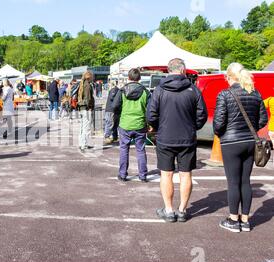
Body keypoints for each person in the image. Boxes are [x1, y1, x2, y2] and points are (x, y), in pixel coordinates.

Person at [147, 58, 208, 223]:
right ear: (183, 70)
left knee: (166, 174)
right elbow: (202, 115)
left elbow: (151, 115)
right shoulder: (193, 90)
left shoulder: (159, 90)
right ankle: (182, 210)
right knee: (185, 174)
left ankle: (168, 210)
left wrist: (159, 126)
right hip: (187, 138)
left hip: (165, 138)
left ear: (168, 71)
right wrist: (192, 127)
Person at [214, 63, 268, 233]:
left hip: (231, 142)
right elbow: (262, 120)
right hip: (250, 141)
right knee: (245, 181)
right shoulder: (255, 93)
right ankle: (245, 220)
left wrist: (221, 133)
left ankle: (233, 219)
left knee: (233, 182)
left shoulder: (224, 94)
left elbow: (219, 123)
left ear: (229, 76)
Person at [113, 69, 150, 183]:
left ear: (128, 78)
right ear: (139, 78)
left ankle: (122, 174)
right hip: (140, 124)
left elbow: (114, 106)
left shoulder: (122, 90)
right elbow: (150, 109)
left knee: (124, 149)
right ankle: (143, 175)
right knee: (140, 150)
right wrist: (149, 123)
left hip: (125, 124)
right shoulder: (145, 92)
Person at [77, 71, 95, 153]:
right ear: (89, 77)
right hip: (86, 108)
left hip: (81, 108)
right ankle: (83, 145)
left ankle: (82, 143)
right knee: (86, 128)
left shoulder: (82, 84)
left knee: (82, 127)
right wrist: (89, 107)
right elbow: (88, 98)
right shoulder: (87, 85)